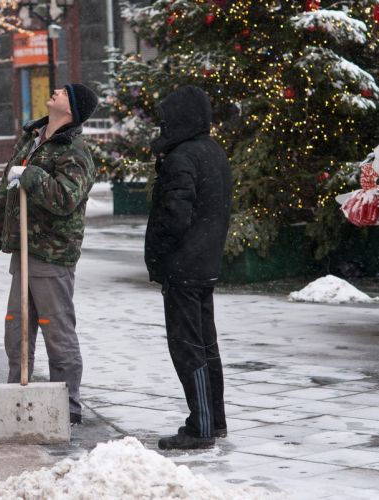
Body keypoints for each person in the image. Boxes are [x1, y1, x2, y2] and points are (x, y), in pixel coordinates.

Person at [0, 83, 99, 425]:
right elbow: (6, 193)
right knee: (16, 329)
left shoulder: (75, 151)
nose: (55, 91)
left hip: (51, 253)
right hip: (23, 250)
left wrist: (31, 175)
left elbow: (65, 199)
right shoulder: (31, 138)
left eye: (63, 92)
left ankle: (69, 405)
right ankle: (18, 393)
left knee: (56, 332)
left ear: (72, 109)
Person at [145, 85, 233, 449]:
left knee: (186, 347)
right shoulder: (213, 152)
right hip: (204, 263)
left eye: (167, 119)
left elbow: (174, 217)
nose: (163, 126)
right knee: (206, 344)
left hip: (183, 267)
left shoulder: (182, 157)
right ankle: (215, 419)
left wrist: (159, 255)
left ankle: (201, 427)